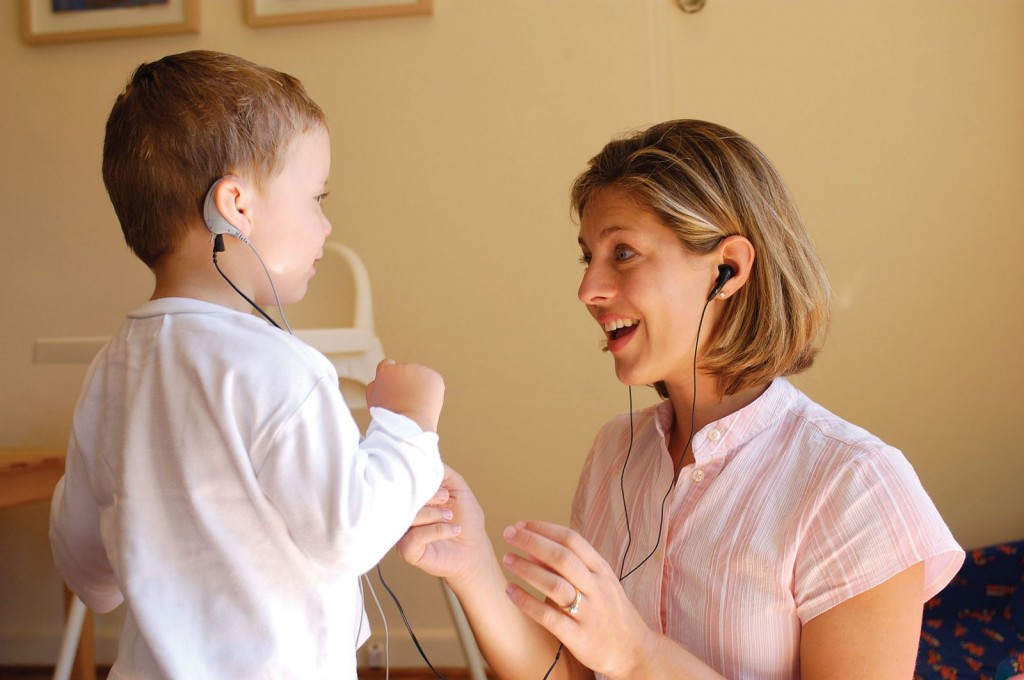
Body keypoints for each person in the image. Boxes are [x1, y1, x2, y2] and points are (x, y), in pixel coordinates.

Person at [398, 119, 964, 679]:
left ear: (728, 269)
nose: (587, 289)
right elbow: (571, 673)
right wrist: (469, 564)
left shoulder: (855, 485)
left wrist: (637, 656)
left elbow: (621, 655)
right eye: (586, 256)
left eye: (622, 253)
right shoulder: (614, 452)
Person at [49, 51, 446, 680]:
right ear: (234, 205)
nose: (326, 222)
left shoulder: (110, 371)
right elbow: (349, 532)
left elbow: (85, 566)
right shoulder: (283, 370)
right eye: (316, 197)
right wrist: (407, 423)